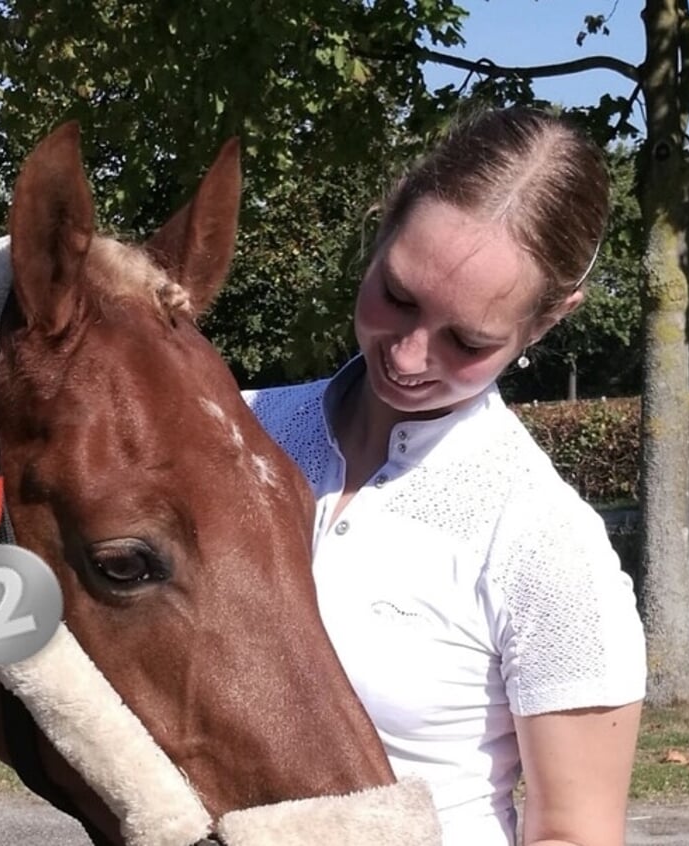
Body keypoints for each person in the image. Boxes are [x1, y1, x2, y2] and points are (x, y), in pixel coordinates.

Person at [244, 106, 647, 846]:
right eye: (397, 296)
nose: (406, 356)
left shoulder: (545, 541)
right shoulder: (238, 433)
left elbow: (573, 833)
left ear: (548, 321)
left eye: (466, 339)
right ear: (384, 223)